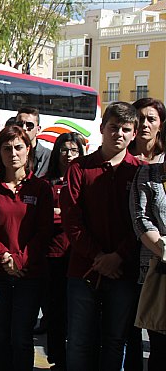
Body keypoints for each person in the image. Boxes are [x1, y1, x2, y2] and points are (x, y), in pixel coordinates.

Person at [61, 102, 141, 370]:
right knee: (80, 342)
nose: (119, 133)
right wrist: (98, 256)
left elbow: (141, 222)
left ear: (134, 133)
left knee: (115, 342)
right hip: (84, 270)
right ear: (102, 129)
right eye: (113, 127)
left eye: (125, 129)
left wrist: (118, 256)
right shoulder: (79, 169)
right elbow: (72, 221)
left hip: (123, 272)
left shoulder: (140, 172)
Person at [0, 124, 53, 370]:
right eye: (7, 148)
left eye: (19, 147)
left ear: (28, 150)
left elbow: (44, 231)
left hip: (28, 274)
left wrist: (20, 260)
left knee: (21, 338)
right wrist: (5, 256)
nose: (13, 153)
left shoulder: (40, 188)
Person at [42, 132, 86, 370]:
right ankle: (57, 358)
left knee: (77, 314)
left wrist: (64, 215)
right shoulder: (46, 184)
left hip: (79, 255)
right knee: (55, 312)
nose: (69, 155)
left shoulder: (85, 180)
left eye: (74, 150)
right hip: (53, 256)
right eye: (64, 150)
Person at [130, 126, 166, 371]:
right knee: (160, 348)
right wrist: (163, 247)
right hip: (159, 269)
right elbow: (141, 218)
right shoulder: (148, 173)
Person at [16, 107, 51, 177]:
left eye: (29, 125)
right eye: (20, 124)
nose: (24, 128)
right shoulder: (9, 151)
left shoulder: (48, 156)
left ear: (38, 129)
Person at [129, 97, 166, 163]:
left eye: (151, 119)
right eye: (140, 119)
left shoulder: (163, 158)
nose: (144, 124)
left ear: (160, 125)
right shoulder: (122, 157)